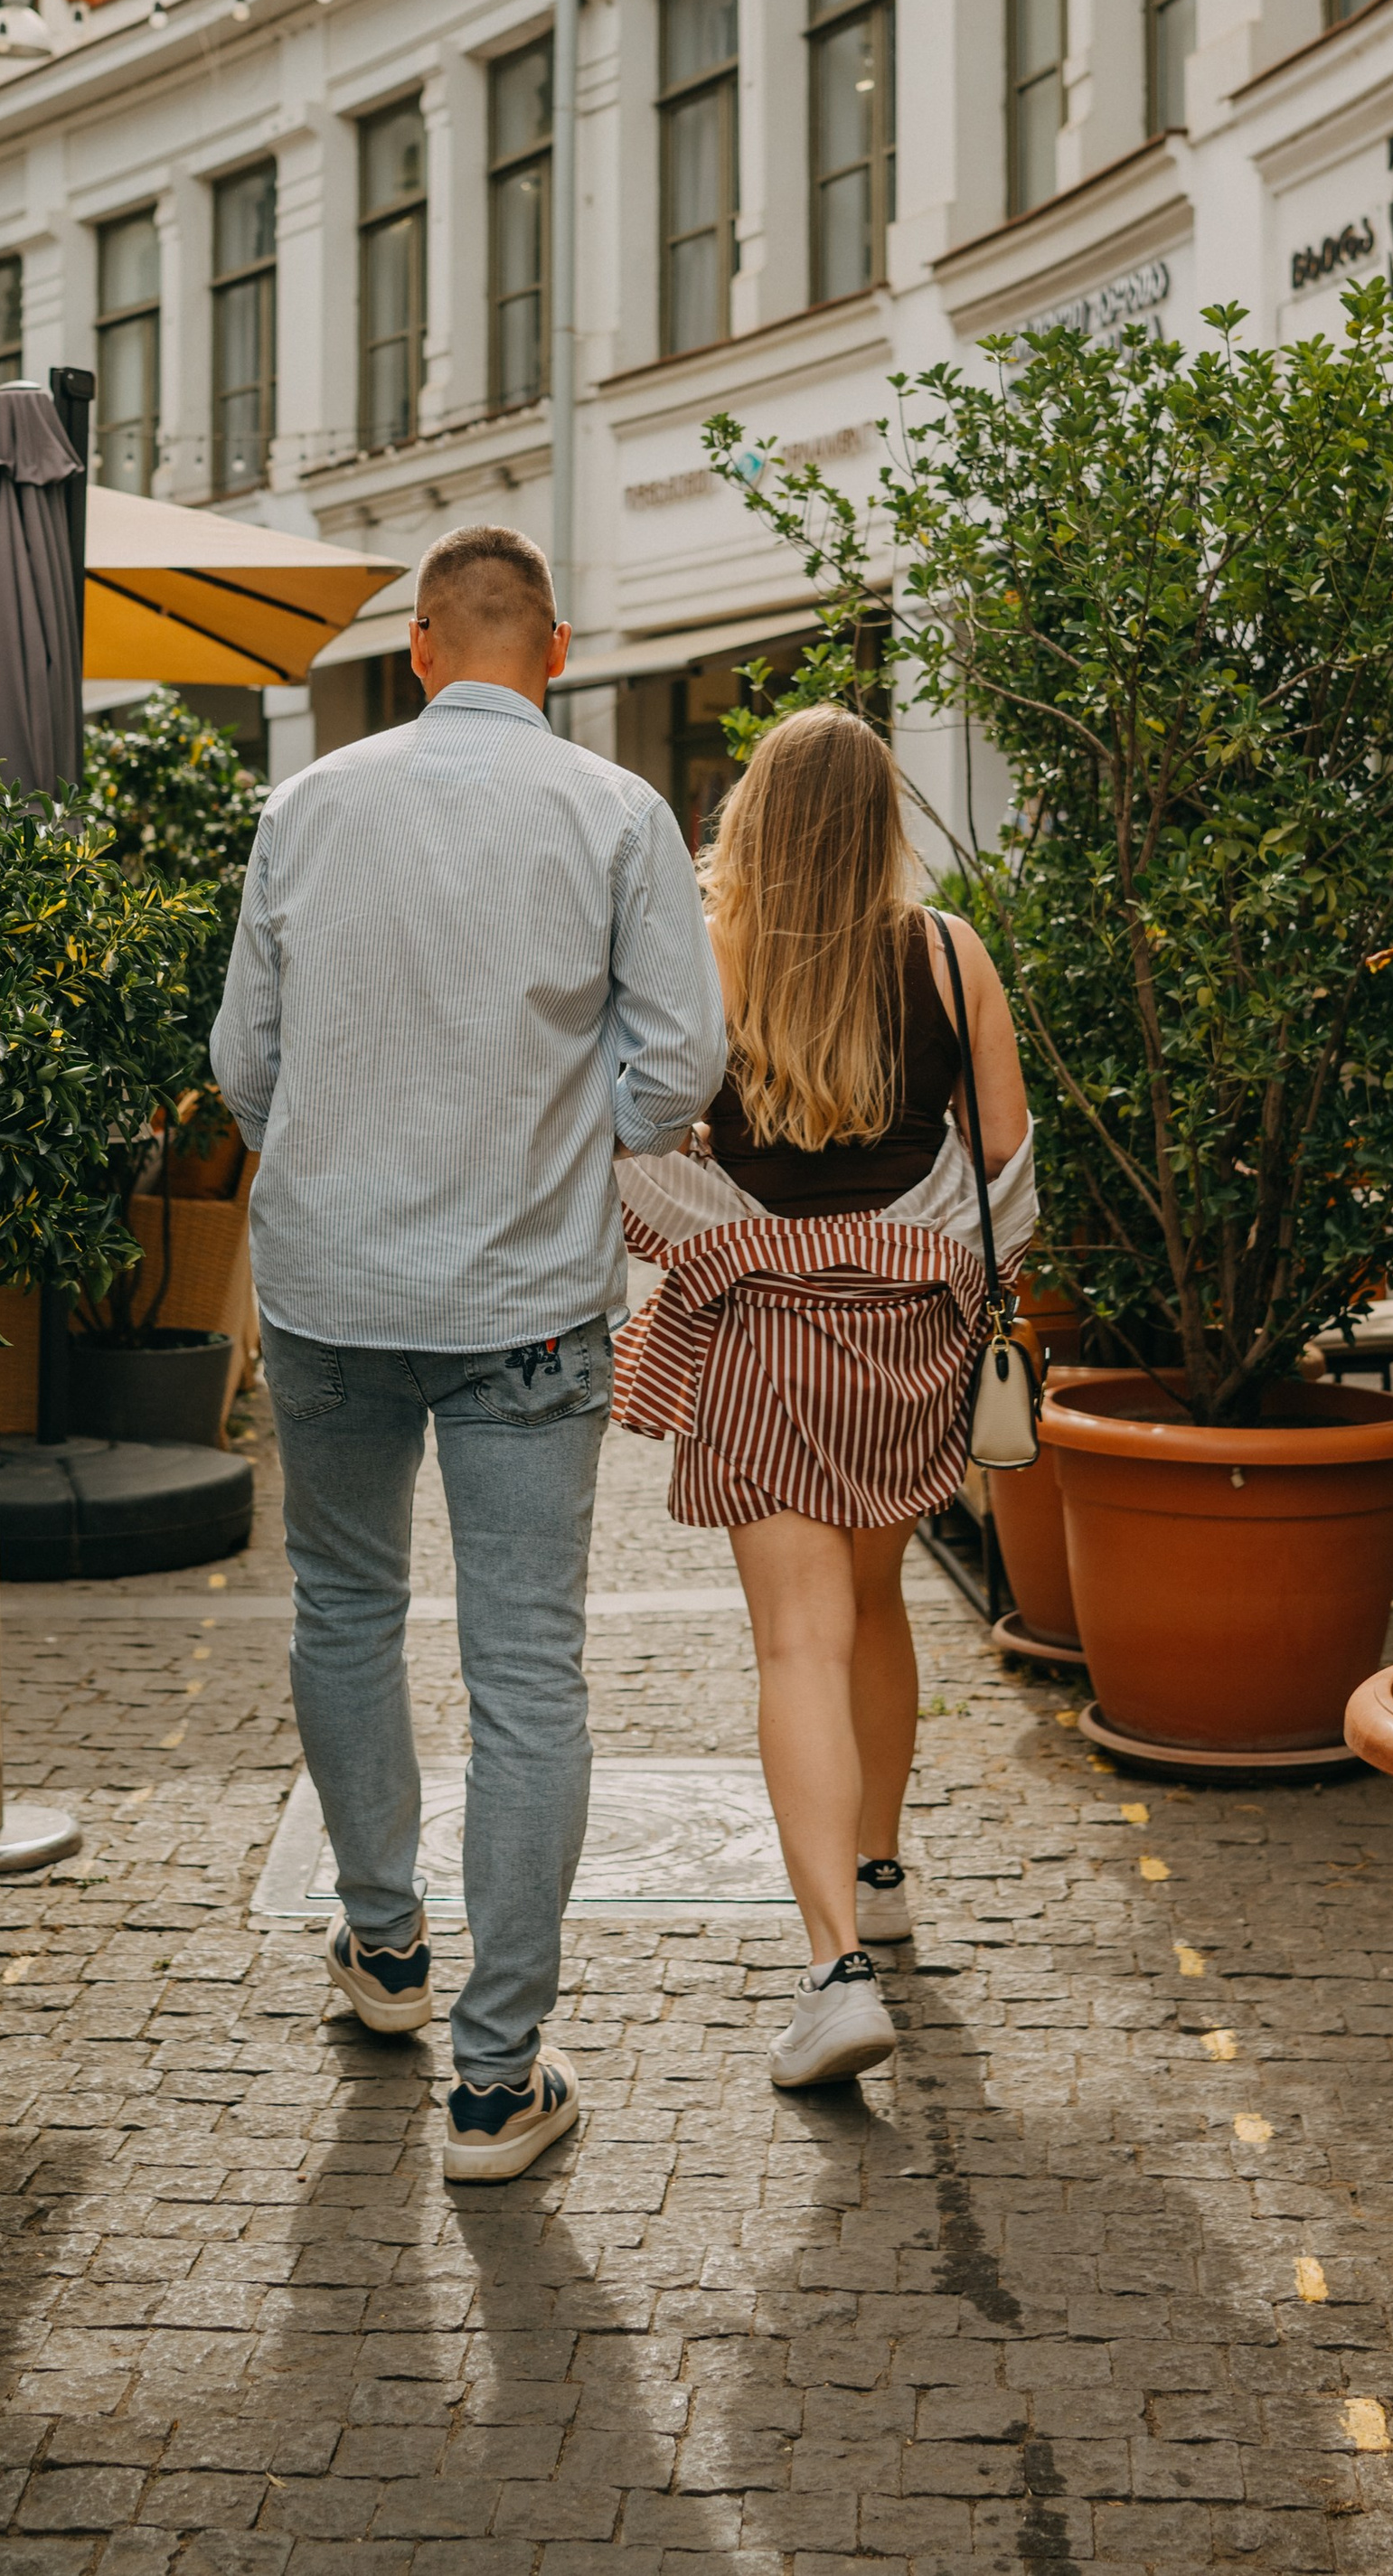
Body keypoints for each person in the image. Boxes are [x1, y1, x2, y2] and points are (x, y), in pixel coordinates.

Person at [212, 523, 726, 2182]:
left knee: (345, 1612)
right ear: (553, 652)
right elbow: (675, 1076)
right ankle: (497, 2088)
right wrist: (564, 1127)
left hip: (328, 1290)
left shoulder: (306, 807)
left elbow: (244, 1065)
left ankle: (382, 1950)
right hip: (525, 1300)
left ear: (421, 649)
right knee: (527, 1676)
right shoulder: (616, 812)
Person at [613, 705, 1033, 2090]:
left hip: (764, 1343)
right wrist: (917, 1260)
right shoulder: (948, 953)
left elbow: (630, 1146)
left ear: (754, 817)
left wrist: (731, 1238)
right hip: (906, 1341)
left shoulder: (706, 950)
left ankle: (835, 1963)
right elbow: (1005, 1178)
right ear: (882, 820)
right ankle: (882, 1869)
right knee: (871, 1606)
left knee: (796, 1641)